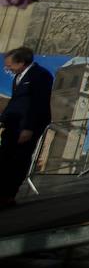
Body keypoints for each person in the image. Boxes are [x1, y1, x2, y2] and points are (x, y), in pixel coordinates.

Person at [1, 47, 53, 207]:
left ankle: (8, 196)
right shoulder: (19, 76)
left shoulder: (40, 75)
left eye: (9, 64)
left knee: (18, 160)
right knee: (4, 158)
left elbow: (38, 103)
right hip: (13, 124)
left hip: (26, 127)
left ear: (21, 62)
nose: (7, 68)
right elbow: (17, 102)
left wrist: (29, 128)